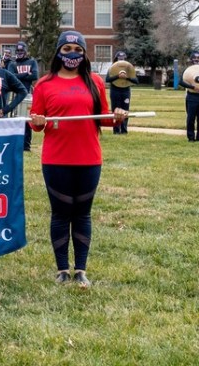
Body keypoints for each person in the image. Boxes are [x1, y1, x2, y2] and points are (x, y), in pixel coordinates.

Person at [28, 30, 127, 288]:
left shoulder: (94, 81)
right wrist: (37, 120)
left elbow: (103, 117)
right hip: (56, 160)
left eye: (78, 50)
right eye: (67, 49)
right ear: (58, 52)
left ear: (84, 54)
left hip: (89, 159)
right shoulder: (44, 84)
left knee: (82, 214)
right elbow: (37, 124)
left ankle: (81, 270)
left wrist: (117, 116)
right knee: (61, 214)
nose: (72, 54)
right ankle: (62, 269)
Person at [7, 41, 40, 151]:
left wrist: (19, 76)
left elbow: (35, 75)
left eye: (22, 50)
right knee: (14, 119)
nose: (20, 52)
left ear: (26, 51)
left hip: (28, 95)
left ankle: (26, 146)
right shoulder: (12, 63)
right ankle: (15, 144)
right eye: (18, 51)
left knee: (27, 120)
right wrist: (27, 74)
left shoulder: (32, 61)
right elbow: (11, 78)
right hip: (15, 94)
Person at [106, 50, 136, 135]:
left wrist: (126, 78)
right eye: (119, 59)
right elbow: (108, 79)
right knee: (115, 111)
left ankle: (124, 130)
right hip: (115, 91)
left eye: (123, 59)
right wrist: (118, 76)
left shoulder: (130, 69)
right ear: (116, 59)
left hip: (125, 91)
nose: (121, 60)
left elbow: (136, 81)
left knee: (125, 111)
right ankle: (116, 131)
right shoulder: (112, 68)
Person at [179, 50, 199, 142]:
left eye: (198, 58)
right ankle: (191, 137)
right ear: (191, 60)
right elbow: (181, 82)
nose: (196, 60)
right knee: (191, 118)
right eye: (194, 58)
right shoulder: (187, 70)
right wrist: (192, 87)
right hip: (192, 96)